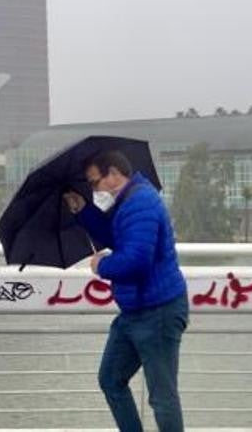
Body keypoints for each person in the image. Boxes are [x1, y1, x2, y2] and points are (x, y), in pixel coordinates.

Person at [63, 149, 188, 431]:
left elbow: (137, 261)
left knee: (162, 397)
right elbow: (116, 235)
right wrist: (82, 210)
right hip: (135, 312)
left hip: (158, 312)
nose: (94, 188)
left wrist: (101, 266)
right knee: (111, 379)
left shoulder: (141, 203)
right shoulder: (128, 201)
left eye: (95, 182)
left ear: (114, 174)